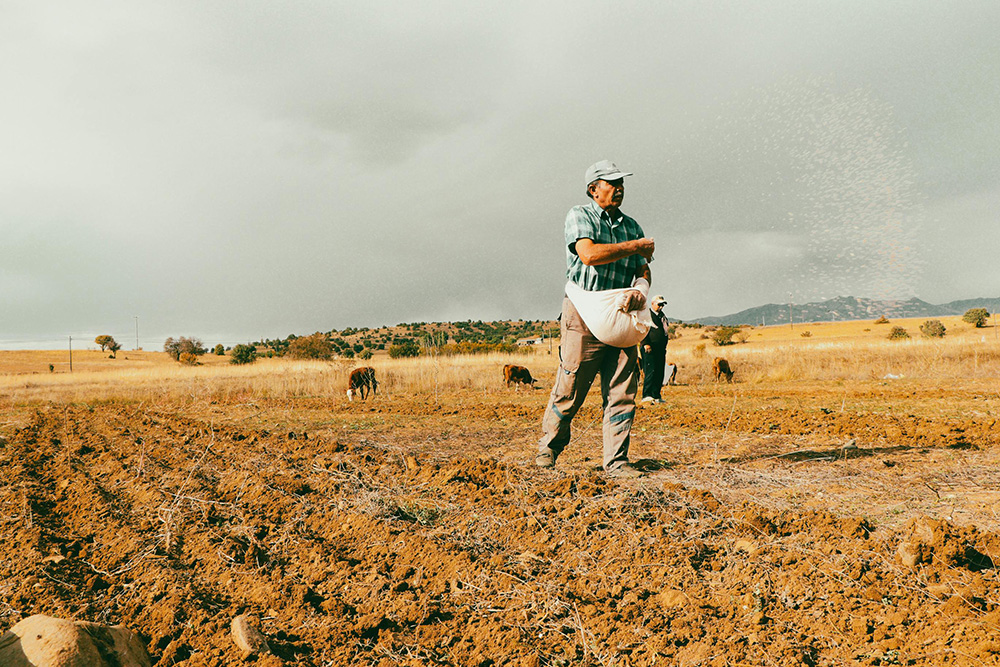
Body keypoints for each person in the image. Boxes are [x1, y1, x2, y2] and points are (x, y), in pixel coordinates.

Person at [536, 160, 655, 478]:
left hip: (621, 314)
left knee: (622, 390)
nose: (619, 188)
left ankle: (617, 462)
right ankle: (549, 448)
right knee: (571, 384)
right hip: (583, 312)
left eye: (621, 183)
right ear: (593, 189)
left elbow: (643, 268)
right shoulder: (580, 216)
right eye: (612, 183)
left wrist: (641, 289)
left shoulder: (632, 226)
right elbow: (588, 255)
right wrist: (635, 247)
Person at [640, 295, 668, 403]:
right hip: (649, 348)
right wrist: (645, 343)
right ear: (652, 304)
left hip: (660, 349)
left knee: (659, 372)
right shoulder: (647, 315)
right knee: (650, 371)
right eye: (659, 304)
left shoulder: (663, 317)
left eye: (662, 304)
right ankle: (647, 395)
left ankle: (656, 395)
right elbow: (642, 329)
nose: (661, 307)